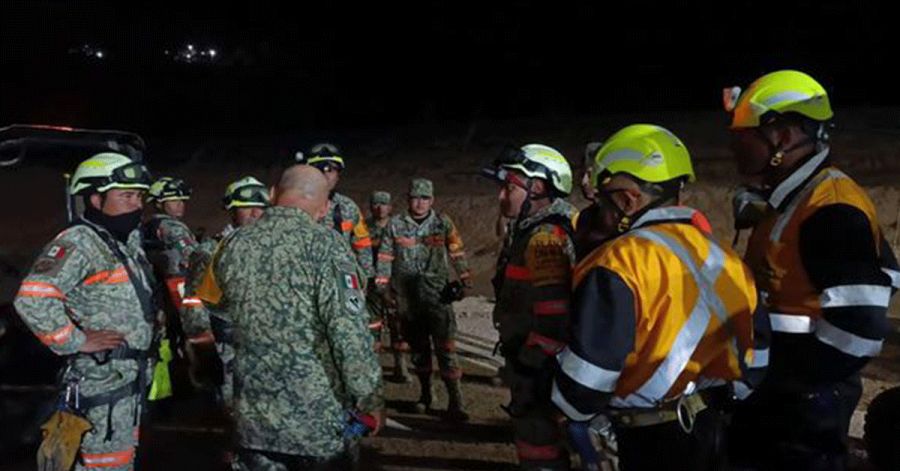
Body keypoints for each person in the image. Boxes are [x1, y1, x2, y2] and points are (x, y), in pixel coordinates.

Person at [552, 124, 770, 471]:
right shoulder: (727, 258)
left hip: (644, 441)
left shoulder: (617, 263)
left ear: (627, 199)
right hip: (712, 433)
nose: (601, 212)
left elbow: (582, 389)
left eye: (605, 199)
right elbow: (756, 363)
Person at [723, 69, 899, 470]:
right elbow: (887, 272)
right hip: (790, 392)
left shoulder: (830, 206)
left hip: (804, 407)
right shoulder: (798, 198)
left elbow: (860, 332)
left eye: (743, 135)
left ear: (781, 136)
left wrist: (789, 383)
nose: (734, 146)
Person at [198, 165, 384, 470]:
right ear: (324, 208)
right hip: (316, 425)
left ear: (272, 195)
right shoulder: (328, 247)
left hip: (253, 421)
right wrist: (369, 397)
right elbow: (348, 333)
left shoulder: (231, 245)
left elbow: (208, 311)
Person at [14, 152, 157, 470]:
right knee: (103, 463)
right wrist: (75, 340)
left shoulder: (119, 242)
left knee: (118, 460)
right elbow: (32, 297)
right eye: (127, 196)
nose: (137, 204)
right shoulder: (81, 242)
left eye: (139, 196)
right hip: (100, 381)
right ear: (95, 199)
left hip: (125, 383)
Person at [482, 144, 578, 470]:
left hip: (541, 371)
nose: (501, 196)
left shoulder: (545, 239)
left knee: (539, 445)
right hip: (539, 364)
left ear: (536, 187)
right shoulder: (532, 231)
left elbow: (554, 319)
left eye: (509, 187)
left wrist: (527, 366)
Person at [375, 178, 472, 420]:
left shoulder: (442, 223)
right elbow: (385, 258)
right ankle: (426, 395)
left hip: (437, 297)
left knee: (447, 349)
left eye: (425, 198)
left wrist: (465, 278)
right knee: (419, 351)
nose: (420, 203)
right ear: (408, 199)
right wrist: (383, 289)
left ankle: (456, 401)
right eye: (415, 198)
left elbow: (456, 249)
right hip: (408, 300)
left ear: (432, 200)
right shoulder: (395, 225)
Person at [185, 176, 271, 407]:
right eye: (246, 208)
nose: (255, 214)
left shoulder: (274, 252)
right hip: (229, 346)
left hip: (267, 345)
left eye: (260, 208)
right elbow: (194, 300)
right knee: (233, 407)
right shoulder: (210, 251)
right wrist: (203, 344)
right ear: (231, 211)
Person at [295, 143, 374, 278]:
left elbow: (362, 244)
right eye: (319, 168)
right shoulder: (294, 205)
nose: (326, 174)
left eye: (331, 169)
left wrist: (365, 278)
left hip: (341, 280)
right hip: (303, 280)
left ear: (338, 175)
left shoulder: (348, 207)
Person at [366, 190, 410, 382]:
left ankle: (401, 366)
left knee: (397, 326)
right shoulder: (363, 229)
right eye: (376, 204)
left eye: (384, 204)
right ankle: (373, 367)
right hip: (370, 283)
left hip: (394, 283)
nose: (380, 207)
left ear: (390, 207)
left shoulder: (398, 227)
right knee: (372, 325)